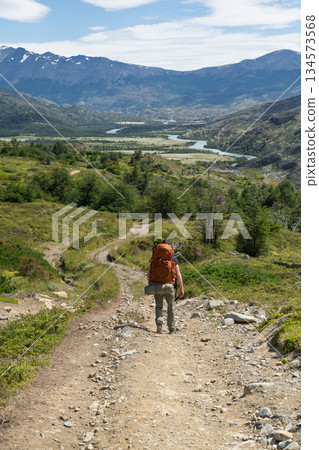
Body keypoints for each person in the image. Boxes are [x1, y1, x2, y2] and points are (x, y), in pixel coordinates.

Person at [147, 240, 184, 334]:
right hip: (169, 286)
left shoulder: (154, 259)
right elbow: (178, 274)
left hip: (156, 285)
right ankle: (171, 328)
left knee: (159, 306)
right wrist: (181, 288)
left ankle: (159, 324)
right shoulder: (173, 259)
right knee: (170, 307)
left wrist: (151, 284)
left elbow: (148, 274)